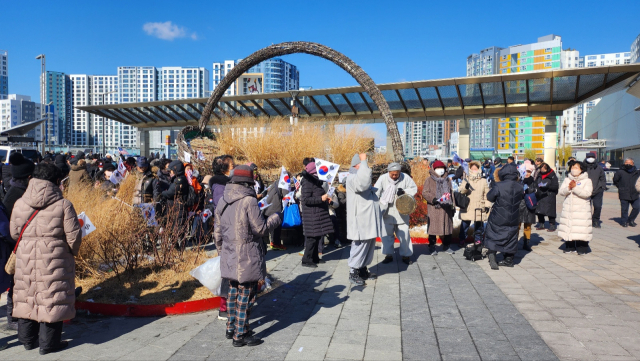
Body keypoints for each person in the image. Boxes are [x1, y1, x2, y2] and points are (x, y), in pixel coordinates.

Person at [11, 162, 82, 355]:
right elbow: (74, 237)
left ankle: (27, 340)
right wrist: (70, 252)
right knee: (53, 297)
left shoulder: (19, 203)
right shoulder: (63, 205)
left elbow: (14, 233)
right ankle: (48, 344)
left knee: (27, 295)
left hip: (25, 256)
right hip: (56, 256)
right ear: (57, 181)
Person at [213, 165, 281, 347]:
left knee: (233, 291)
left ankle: (231, 327)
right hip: (247, 255)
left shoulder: (222, 200)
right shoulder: (248, 201)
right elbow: (260, 228)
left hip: (229, 254)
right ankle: (240, 335)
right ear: (248, 183)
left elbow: (217, 233)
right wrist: (275, 217)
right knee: (246, 295)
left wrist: (223, 253)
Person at [1, 153, 35, 331]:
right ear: (28, 177)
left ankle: (14, 317)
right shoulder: (16, 195)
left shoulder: (17, 191)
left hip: (18, 244)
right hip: (14, 246)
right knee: (14, 282)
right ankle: (12, 318)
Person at [346, 153, 382, 286]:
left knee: (369, 244)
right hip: (360, 220)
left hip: (366, 219)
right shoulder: (353, 178)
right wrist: (363, 160)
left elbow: (366, 184)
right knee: (360, 245)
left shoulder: (357, 176)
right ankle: (353, 271)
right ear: (357, 165)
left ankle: (362, 269)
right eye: (363, 164)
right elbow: (362, 184)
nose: (366, 167)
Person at [375, 162, 418, 265]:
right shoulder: (382, 178)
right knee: (386, 235)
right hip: (387, 212)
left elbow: (414, 188)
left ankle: (406, 255)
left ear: (399, 172)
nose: (394, 176)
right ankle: (388, 254)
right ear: (388, 172)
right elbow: (376, 191)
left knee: (404, 235)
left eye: (396, 174)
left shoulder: (405, 177)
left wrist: (403, 191)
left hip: (401, 211)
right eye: (392, 174)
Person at [484, 164, 524, 269]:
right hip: (513, 216)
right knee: (511, 236)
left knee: (493, 233)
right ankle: (508, 260)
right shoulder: (519, 186)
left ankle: (492, 255)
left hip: (499, 215)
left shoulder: (499, 185)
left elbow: (490, 197)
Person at [300, 162, 334, 267]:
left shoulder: (315, 181)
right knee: (311, 238)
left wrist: (325, 198)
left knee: (317, 236)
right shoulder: (307, 182)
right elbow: (305, 199)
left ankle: (314, 258)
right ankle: (306, 260)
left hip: (316, 214)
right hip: (311, 215)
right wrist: (320, 198)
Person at [558, 161, 593, 255]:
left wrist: (575, 188)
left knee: (581, 228)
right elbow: (561, 192)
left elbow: (587, 193)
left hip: (581, 208)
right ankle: (570, 246)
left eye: (576, 167)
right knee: (569, 226)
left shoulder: (587, 181)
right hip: (569, 208)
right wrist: (568, 188)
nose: (574, 169)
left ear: (582, 169)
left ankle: (582, 247)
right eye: (572, 167)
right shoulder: (567, 179)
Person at [423, 160, 456, 255]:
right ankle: (432, 246)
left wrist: (453, 204)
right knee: (433, 227)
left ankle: (447, 245)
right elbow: (425, 192)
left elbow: (451, 192)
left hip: (446, 207)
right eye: (438, 168)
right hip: (435, 207)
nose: (440, 170)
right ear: (434, 169)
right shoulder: (429, 180)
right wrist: (433, 199)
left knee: (448, 227)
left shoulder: (447, 180)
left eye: (442, 168)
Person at [459, 161, 490, 245]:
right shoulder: (466, 180)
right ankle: (462, 239)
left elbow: (487, 194)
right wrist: (465, 188)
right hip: (468, 206)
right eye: (472, 168)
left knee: (479, 225)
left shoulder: (483, 181)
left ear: (479, 169)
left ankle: (478, 240)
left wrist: (487, 205)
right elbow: (460, 192)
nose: (474, 170)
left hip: (479, 205)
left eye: (476, 168)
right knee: (465, 224)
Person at [613, 157, 640, 227]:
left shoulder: (637, 172)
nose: (628, 164)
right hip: (624, 193)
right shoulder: (620, 172)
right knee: (624, 209)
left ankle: (631, 220)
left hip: (635, 193)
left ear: (633, 164)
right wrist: (621, 187)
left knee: (637, 207)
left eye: (629, 163)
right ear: (624, 163)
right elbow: (615, 180)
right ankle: (624, 221)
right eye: (626, 163)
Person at [534, 163, 559, 232]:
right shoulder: (539, 175)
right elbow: (535, 183)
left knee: (550, 210)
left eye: (544, 167)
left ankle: (552, 224)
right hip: (540, 195)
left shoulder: (552, 175)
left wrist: (547, 186)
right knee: (539, 210)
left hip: (549, 195)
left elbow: (556, 186)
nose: (542, 169)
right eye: (541, 167)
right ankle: (541, 223)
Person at [584, 152, 606, 228]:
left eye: (592, 157)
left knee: (598, 206)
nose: (590, 158)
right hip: (585, 191)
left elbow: (602, 177)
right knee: (586, 208)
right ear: (586, 157)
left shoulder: (599, 167)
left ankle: (596, 220)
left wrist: (602, 186)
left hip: (597, 190)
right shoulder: (582, 166)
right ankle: (586, 221)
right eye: (589, 157)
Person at [519, 161, 537, 251]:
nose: (527, 173)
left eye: (529, 172)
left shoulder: (533, 182)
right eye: (525, 171)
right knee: (517, 226)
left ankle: (526, 243)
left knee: (528, 226)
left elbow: (535, 192)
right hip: (519, 206)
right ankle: (514, 242)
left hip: (529, 206)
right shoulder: (518, 181)